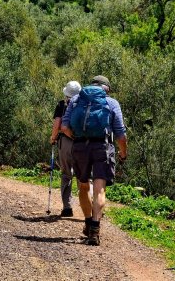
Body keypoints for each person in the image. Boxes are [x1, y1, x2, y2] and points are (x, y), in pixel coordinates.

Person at [61, 75, 127, 246]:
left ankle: (88, 222)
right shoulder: (112, 103)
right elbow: (120, 134)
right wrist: (123, 153)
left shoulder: (76, 100)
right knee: (99, 190)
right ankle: (95, 231)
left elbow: (64, 127)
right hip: (102, 148)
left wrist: (77, 138)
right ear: (107, 89)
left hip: (80, 148)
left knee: (83, 187)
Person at [50, 80, 81, 217]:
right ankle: (90, 205)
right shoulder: (85, 104)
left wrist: (53, 138)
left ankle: (67, 207)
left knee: (66, 174)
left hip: (66, 142)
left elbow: (57, 124)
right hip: (82, 143)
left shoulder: (62, 105)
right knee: (83, 176)